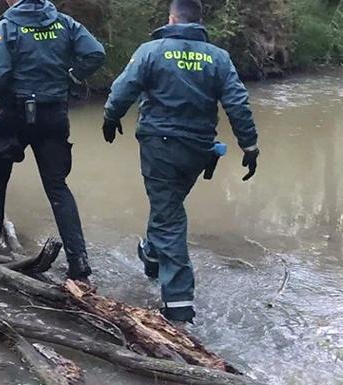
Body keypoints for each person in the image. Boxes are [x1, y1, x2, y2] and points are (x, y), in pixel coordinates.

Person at [102, 0, 259, 322]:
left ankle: (178, 303)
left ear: (172, 18)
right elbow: (238, 104)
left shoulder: (152, 50)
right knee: (167, 204)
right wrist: (250, 145)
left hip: (161, 144)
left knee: (168, 215)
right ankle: (152, 258)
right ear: (198, 21)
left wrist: (110, 117)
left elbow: (123, 89)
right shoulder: (218, 57)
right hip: (199, 149)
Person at [0, 0, 105, 282]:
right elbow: (95, 54)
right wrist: (71, 77)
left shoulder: (7, 26)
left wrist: (2, 97)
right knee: (57, 186)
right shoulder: (64, 23)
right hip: (54, 113)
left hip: (15, 113)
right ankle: (79, 261)